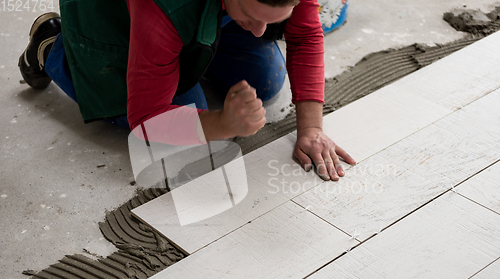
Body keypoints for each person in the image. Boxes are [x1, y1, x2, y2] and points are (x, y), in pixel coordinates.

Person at [18, 0, 356, 181]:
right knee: (182, 132)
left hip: (199, 10)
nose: (259, 32)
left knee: (265, 78)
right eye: (252, 16)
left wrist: (311, 129)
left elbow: (306, 34)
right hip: (116, 17)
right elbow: (146, 120)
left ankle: (198, 38)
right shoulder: (165, 4)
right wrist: (223, 124)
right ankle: (54, 49)